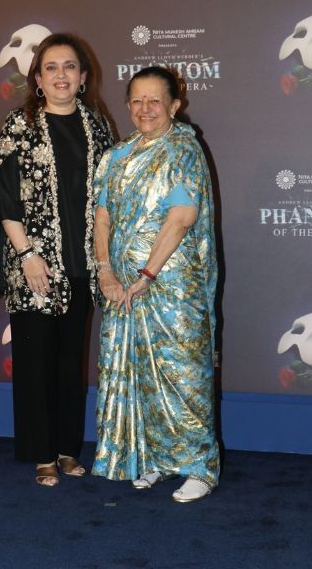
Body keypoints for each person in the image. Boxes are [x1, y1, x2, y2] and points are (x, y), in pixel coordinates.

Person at [0, 33, 114, 486]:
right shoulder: (18, 125)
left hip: (82, 265)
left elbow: (108, 199)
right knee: (36, 362)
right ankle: (42, 454)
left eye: (69, 66)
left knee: (70, 362)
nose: (61, 75)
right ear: (37, 78)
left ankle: (67, 448)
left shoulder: (98, 127)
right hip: (34, 265)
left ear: (83, 76)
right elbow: (5, 198)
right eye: (51, 67)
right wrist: (27, 255)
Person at [90, 66, 220, 502]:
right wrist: (105, 271)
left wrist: (147, 275)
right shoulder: (116, 156)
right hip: (121, 286)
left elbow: (181, 217)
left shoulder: (183, 149)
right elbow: (102, 217)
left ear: (174, 105)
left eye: (155, 101)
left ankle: (198, 466)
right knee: (139, 370)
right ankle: (155, 459)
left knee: (181, 369)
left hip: (171, 282)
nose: (145, 109)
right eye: (137, 100)